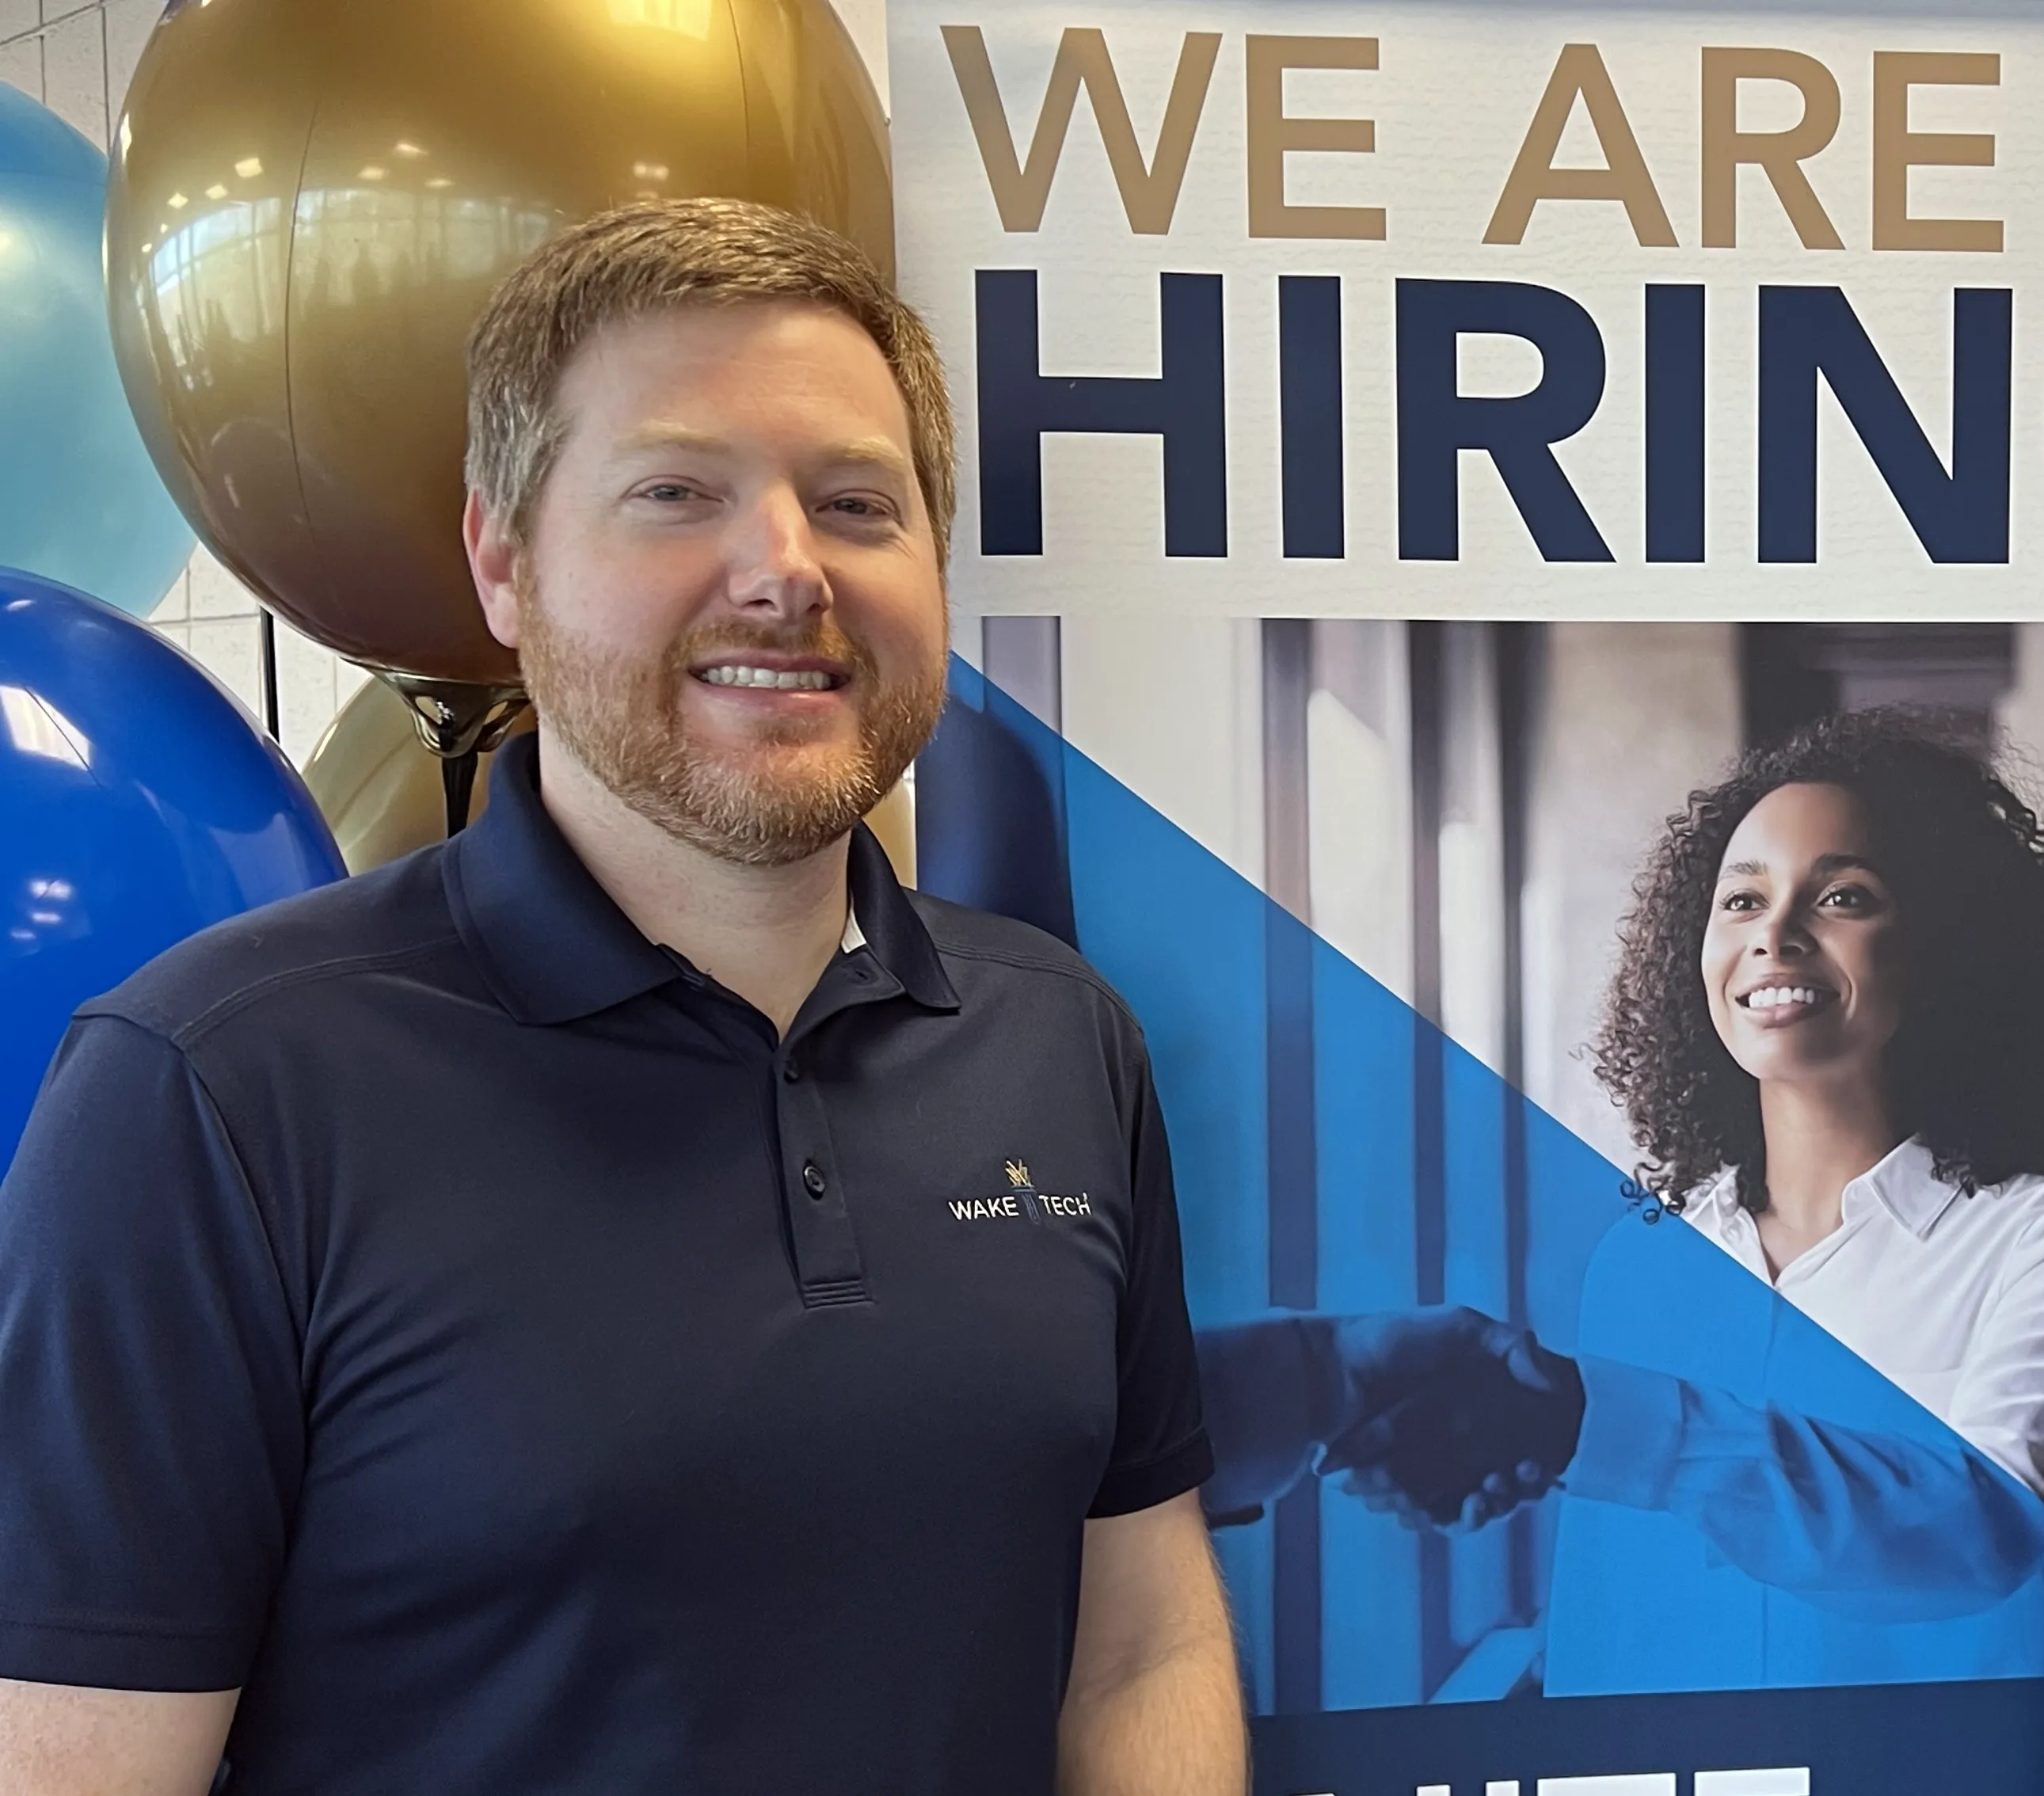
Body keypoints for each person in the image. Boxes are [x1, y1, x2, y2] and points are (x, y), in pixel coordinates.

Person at [0, 200, 1243, 1795]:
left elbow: (1139, 1641)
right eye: (676, 492)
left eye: (857, 502)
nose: (784, 570)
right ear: (502, 560)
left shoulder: (1059, 1040)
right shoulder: (214, 1091)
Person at [1211, 707, 2044, 1695]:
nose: (1775, 935)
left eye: (1843, 897)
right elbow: (1609, 1604)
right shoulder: (1644, 1260)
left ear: (1949, 947)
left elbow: (1984, 1527)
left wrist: (1588, 1422)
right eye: (1743, 901)